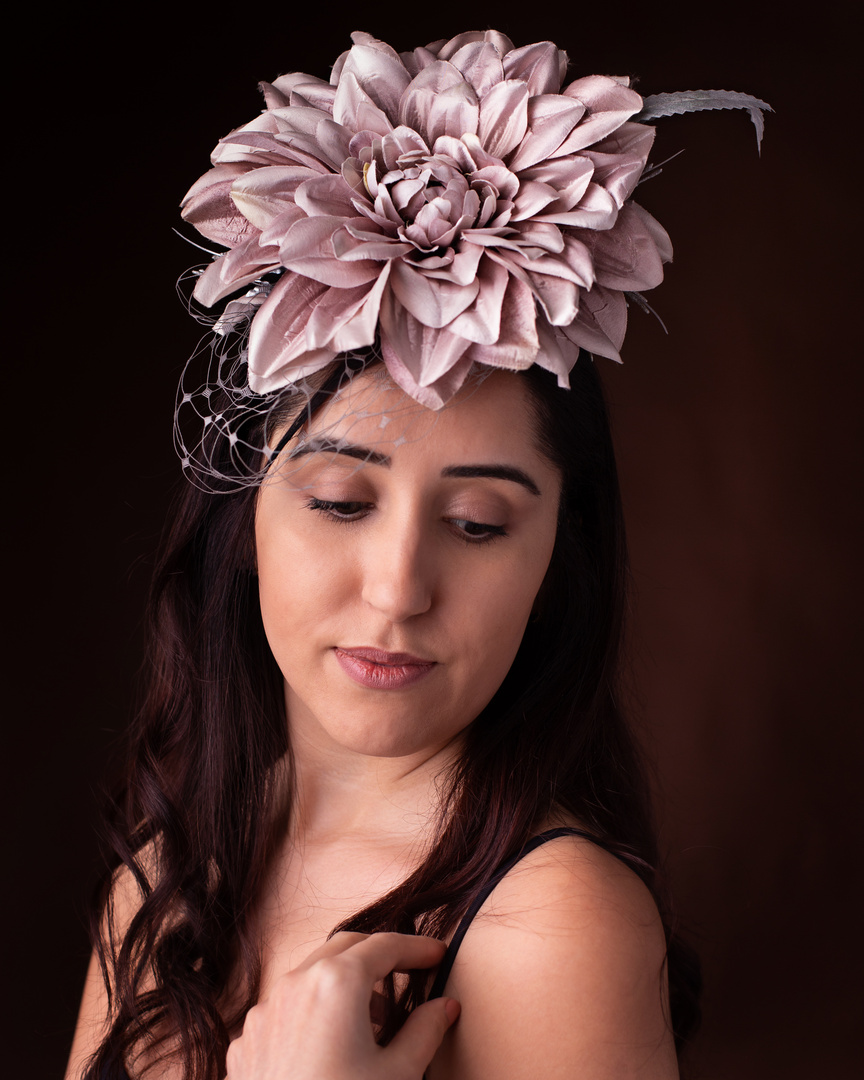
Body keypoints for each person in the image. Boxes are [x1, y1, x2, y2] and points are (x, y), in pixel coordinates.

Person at [66, 29, 766, 1080]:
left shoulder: (550, 925)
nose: (398, 591)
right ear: (244, 515)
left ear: (553, 560)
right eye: (341, 502)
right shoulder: (169, 872)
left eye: (479, 525)